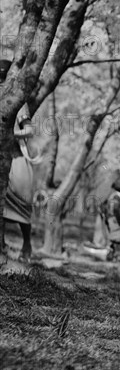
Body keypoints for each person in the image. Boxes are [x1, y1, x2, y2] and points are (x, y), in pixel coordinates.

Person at [0, 59, 41, 262]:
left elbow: (30, 130)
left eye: (3, 78)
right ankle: (3, 246)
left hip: (15, 158)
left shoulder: (19, 101)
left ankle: (27, 245)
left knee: (20, 203)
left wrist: (10, 133)